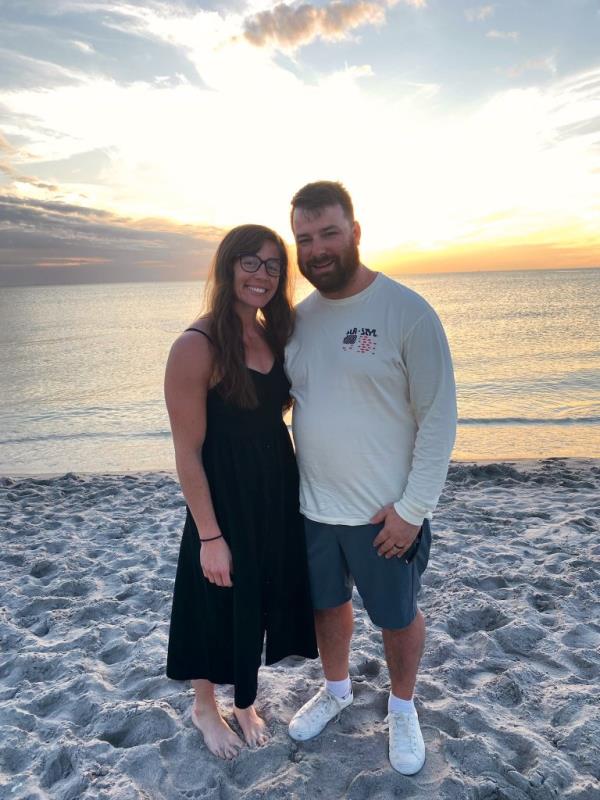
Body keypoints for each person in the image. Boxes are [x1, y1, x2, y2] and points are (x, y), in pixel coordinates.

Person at [285, 182, 457, 775]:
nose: (317, 248)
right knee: (328, 608)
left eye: (329, 232)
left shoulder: (406, 311)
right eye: (304, 238)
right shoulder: (296, 321)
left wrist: (413, 509)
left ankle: (403, 706)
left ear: (355, 232)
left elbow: (439, 417)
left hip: (386, 514)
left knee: (397, 615)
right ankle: (335, 691)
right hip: (313, 509)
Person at [165, 224, 318, 760]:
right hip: (223, 498)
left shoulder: (271, 333)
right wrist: (209, 534)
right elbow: (187, 454)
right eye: (250, 262)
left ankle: (245, 701)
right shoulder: (195, 345)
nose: (262, 274)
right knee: (214, 595)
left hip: (274, 490)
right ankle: (205, 706)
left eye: (274, 265)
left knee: (257, 595)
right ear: (228, 267)